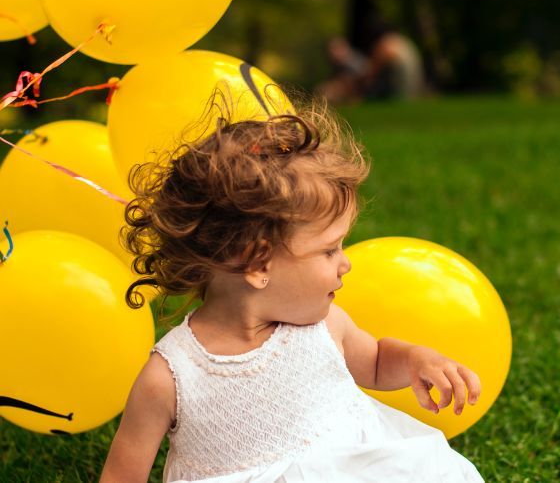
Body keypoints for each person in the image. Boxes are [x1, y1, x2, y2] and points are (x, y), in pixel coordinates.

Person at [99, 90, 484, 483]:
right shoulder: (170, 377)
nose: (345, 263)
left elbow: (377, 360)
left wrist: (418, 360)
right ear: (257, 262)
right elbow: (121, 476)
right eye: (329, 250)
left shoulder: (324, 326)